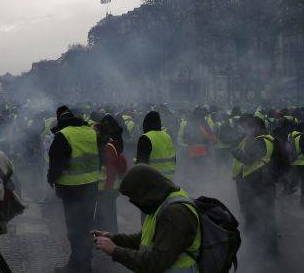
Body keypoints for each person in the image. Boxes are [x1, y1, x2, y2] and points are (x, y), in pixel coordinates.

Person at [92, 164, 200, 272]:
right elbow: (145, 239)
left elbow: (155, 263)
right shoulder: (161, 201)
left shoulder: (175, 214)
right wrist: (115, 239)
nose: (134, 202)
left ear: (145, 190)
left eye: (134, 197)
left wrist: (115, 251)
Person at [47, 105, 101, 273]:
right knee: (86, 226)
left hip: (71, 190)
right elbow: (102, 156)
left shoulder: (63, 135)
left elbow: (56, 163)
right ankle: (85, 262)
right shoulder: (91, 132)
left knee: (74, 229)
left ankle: (78, 266)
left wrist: (51, 179)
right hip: (91, 186)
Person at [231, 114, 277, 256]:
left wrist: (236, 152)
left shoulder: (260, 141)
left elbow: (249, 160)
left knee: (253, 214)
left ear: (257, 127)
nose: (247, 130)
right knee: (266, 215)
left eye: (249, 127)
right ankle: (268, 247)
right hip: (262, 183)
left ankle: (254, 247)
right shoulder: (267, 139)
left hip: (256, 184)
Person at [95, 114, 127, 235]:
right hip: (108, 187)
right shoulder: (112, 142)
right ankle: (101, 236)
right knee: (105, 214)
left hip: (107, 187)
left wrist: (107, 189)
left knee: (108, 215)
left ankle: (111, 238)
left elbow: (111, 170)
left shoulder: (108, 146)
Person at [135, 111, 176, 181]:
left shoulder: (145, 138)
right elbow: (174, 159)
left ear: (146, 124)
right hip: (169, 180)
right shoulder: (167, 136)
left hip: (153, 180)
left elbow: (141, 164)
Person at [286, 121, 304, 206]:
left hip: (293, 161)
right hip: (302, 163)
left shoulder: (291, 134)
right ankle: (303, 201)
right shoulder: (302, 136)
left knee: (293, 181)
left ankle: (283, 196)